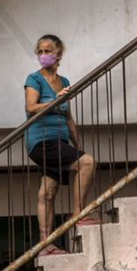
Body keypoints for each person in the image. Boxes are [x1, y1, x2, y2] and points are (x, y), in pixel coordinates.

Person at [24, 34, 97, 256]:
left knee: (48, 191)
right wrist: (55, 100)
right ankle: (78, 215)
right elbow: (31, 107)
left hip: (59, 140)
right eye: (40, 51)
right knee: (87, 163)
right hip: (42, 140)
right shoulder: (34, 79)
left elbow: (68, 117)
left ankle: (46, 245)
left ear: (58, 54)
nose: (43, 55)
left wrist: (76, 144)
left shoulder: (64, 82)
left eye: (48, 51)